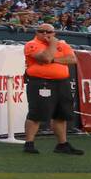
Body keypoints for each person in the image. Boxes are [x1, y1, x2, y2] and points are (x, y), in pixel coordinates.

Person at [22, 24, 83, 155]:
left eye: (48, 31)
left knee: (61, 114)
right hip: (40, 82)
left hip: (62, 82)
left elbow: (72, 59)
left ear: (53, 33)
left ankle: (62, 144)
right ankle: (29, 143)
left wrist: (54, 59)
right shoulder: (32, 44)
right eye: (41, 31)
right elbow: (45, 58)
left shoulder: (63, 44)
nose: (45, 33)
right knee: (36, 113)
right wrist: (53, 45)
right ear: (36, 32)